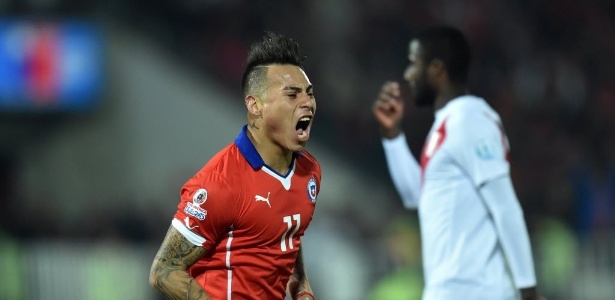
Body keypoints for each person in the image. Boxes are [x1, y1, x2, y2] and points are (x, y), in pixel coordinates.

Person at [372, 25, 544, 300]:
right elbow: (416, 196)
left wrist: (529, 292)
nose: (408, 74)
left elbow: (505, 207)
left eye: (415, 63)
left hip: (476, 292)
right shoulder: (447, 126)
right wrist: (392, 137)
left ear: (437, 68)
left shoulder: (470, 121)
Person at [149, 31, 320, 300]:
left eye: (309, 94)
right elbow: (164, 271)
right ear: (255, 105)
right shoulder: (220, 183)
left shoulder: (309, 172)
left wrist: (302, 288)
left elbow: (286, 235)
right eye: (292, 94)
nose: (307, 102)